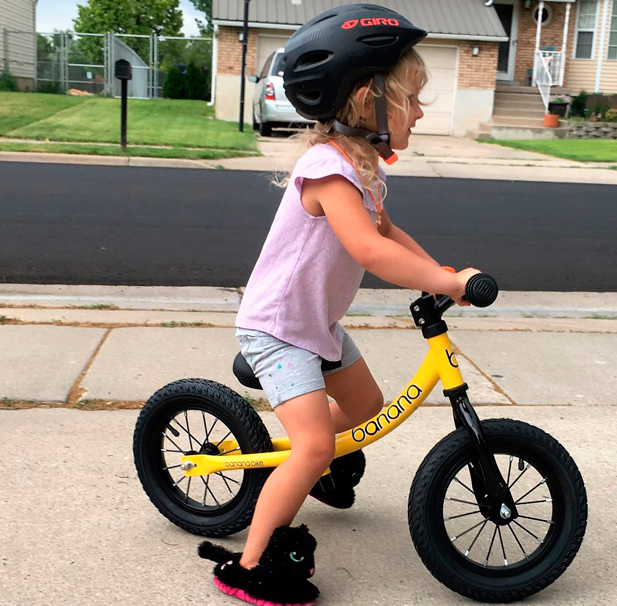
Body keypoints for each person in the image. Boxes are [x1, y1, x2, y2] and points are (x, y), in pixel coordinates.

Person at [198, 4, 481, 605]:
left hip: (314, 323)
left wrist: (437, 274)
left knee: (366, 405)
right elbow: (368, 250)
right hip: (278, 330)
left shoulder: (365, 169)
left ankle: (310, 467)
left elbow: (390, 234)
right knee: (317, 445)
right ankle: (248, 565)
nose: (422, 110)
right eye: (412, 98)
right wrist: (450, 285)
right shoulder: (328, 169)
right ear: (364, 100)